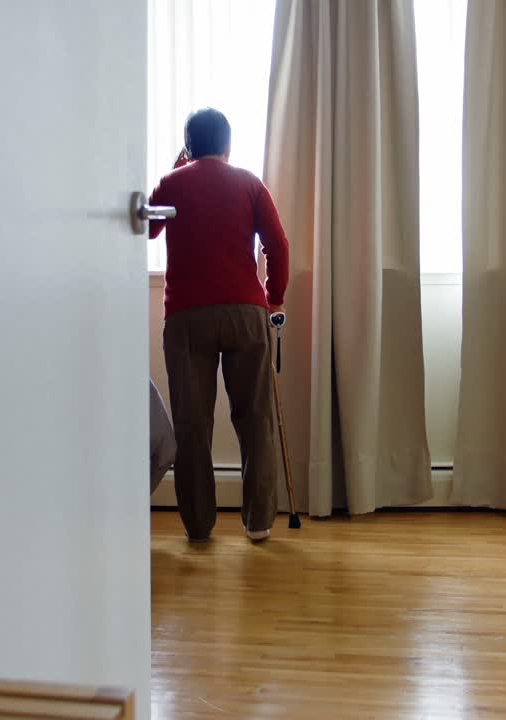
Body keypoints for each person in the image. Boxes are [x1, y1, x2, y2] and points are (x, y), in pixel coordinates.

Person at [148, 107, 290, 543]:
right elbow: (277, 244)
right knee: (255, 417)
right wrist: (273, 296)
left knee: (193, 423)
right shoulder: (249, 183)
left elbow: (149, 229)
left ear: (188, 146)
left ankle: (199, 525)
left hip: (188, 317)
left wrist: (176, 169)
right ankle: (259, 521)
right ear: (229, 145)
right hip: (246, 312)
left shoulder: (172, 184)